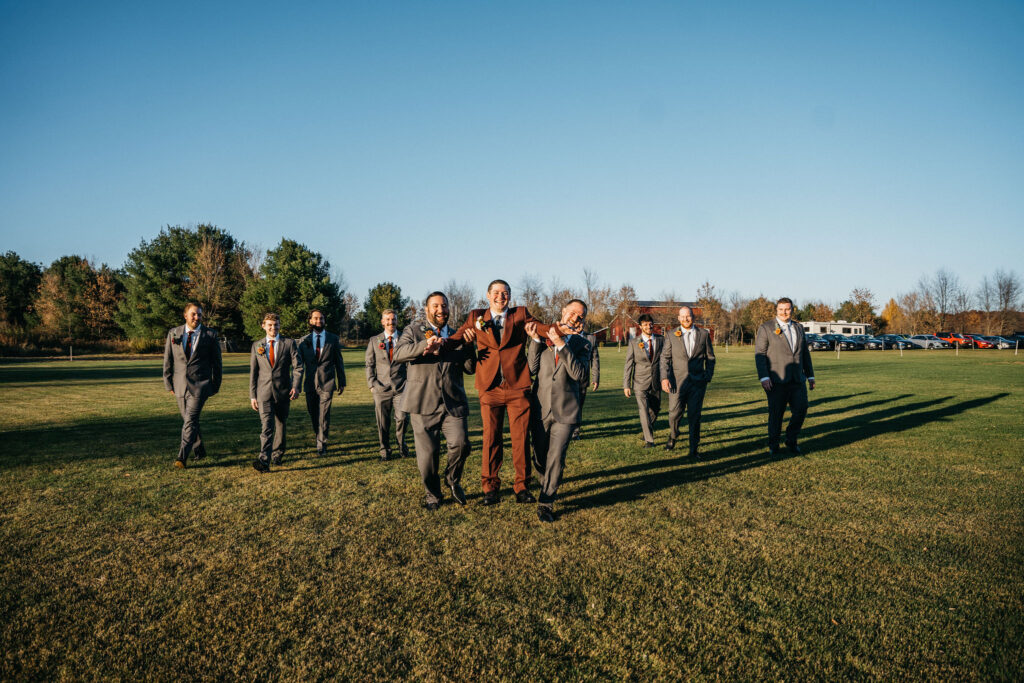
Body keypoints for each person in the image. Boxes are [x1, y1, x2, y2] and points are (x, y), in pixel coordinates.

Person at [456, 279, 557, 505]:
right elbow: (457, 338)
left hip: (517, 387)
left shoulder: (519, 314)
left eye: (505, 293)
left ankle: (522, 487)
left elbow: (540, 327)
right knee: (491, 438)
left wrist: (555, 329)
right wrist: (438, 345)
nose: (501, 297)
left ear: (510, 296)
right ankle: (490, 488)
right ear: (488, 295)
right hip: (489, 388)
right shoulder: (476, 317)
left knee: (521, 439)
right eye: (497, 293)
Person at [393, 292, 476, 510]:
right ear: (427, 309)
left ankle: (452, 479)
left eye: (445, 305)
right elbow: (399, 354)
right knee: (427, 458)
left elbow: (470, 368)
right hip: (422, 402)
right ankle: (433, 495)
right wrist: (424, 347)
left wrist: (468, 346)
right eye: (436, 306)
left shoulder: (458, 334)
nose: (441, 309)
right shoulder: (413, 330)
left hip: (453, 402)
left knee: (461, 444)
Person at [527, 300, 591, 522]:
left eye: (580, 316)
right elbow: (531, 369)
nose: (575, 317)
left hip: (566, 410)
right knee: (539, 457)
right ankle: (546, 481)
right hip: (540, 408)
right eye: (572, 312)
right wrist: (536, 340)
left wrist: (562, 345)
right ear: (563, 312)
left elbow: (580, 375)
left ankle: (546, 502)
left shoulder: (583, 345)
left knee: (556, 457)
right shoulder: (545, 335)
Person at [162, 303, 222, 469]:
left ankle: (181, 457)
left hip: (200, 385)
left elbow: (217, 363)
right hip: (180, 385)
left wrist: (215, 384)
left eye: (199, 315)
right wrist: (168, 383)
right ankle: (200, 450)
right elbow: (168, 361)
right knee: (190, 420)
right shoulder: (173, 333)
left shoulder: (210, 334)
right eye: (194, 314)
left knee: (190, 420)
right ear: (185, 315)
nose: (197, 317)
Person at [754, 297, 816, 456]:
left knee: (801, 409)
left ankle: (791, 439)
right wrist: (764, 377)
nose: (784, 312)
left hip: (797, 379)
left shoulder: (799, 327)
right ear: (776, 310)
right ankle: (774, 445)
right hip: (776, 380)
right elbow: (760, 354)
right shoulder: (766, 327)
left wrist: (810, 375)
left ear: (792, 310)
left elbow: (804, 353)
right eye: (781, 309)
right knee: (776, 414)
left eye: (787, 309)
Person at [249, 313, 303, 472]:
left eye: (276, 324)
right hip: (263, 393)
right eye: (270, 325)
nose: (273, 328)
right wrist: (253, 395)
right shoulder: (256, 345)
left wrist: (296, 385)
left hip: (284, 391)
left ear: (280, 325)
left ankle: (278, 454)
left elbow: (298, 367)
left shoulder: (289, 343)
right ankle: (264, 460)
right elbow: (253, 372)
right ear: (263, 326)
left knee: (280, 424)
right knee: (267, 426)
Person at [660, 306, 715, 459]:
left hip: (697, 383)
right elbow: (665, 358)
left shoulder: (704, 334)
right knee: (674, 414)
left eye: (688, 316)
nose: (685, 319)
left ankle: (693, 448)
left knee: (695, 416)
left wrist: (707, 375)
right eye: (682, 316)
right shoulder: (671, 335)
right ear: (678, 318)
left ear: (693, 317)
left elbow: (710, 357)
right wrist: (664, 378)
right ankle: (673, 435)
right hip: (676, 383)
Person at [298, 309, 346, 458]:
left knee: (324, 415)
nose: (319, 321)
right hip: (310, 384)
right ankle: (318, 435)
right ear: (311, 321)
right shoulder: (303, 341)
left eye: (321, 319)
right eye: (316, 319)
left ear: (325, 321)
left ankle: (321, 444)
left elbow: (339, 361)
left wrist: (342, 381)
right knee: (313, 414)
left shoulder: (333, 339)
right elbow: (298, 366)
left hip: (327, 382)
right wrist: (296, 385)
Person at [365, 308, 410, 461]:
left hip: (401, 388)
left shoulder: (405, 339)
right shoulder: (374, 340)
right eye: (388, 319)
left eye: (394, 319)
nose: (391, 322)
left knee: (402, 418)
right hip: (381, 388)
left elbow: (411, 363)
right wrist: (372, 384)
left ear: (397, 321)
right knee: (382, 422)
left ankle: (402, 445)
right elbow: (369, 364)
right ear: (382, 322)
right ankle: (384, 450)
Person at [623, 313, 663, 448]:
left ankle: (647, 428)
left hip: (656, 381)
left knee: (656, 409)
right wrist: (626, 385)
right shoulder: (634, 343)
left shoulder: (661, 340)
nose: (649, 326)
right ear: (640, 327)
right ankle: (649, 440)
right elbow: (629, 364)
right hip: (640, 382)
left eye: (650, 323)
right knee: (643, 409)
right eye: (645, 324)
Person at [571, 330, 600, 441]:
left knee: (578, 406)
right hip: (567, 378)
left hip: (583, 378)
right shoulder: (567, 335)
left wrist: (595, 378)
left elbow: (595, 359)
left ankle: (575, 432)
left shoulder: (591, 338)